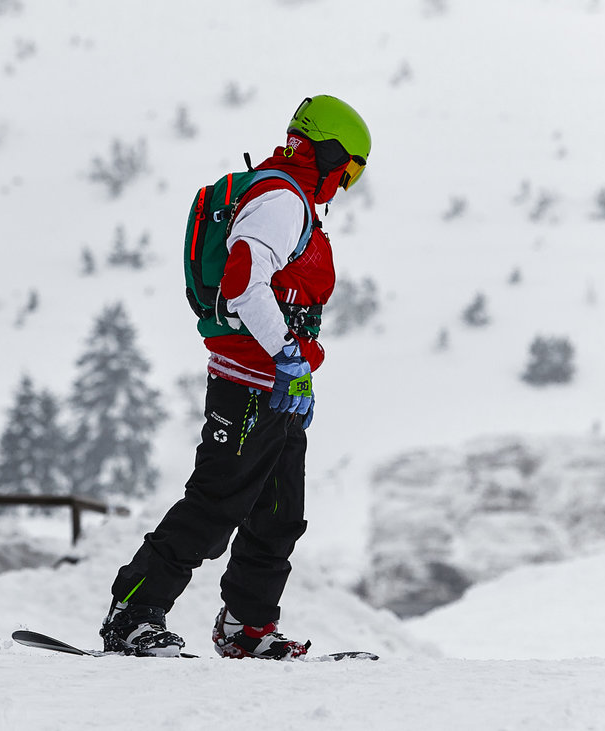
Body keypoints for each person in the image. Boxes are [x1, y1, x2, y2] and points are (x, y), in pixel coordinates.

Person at [99, 95, 372, 659]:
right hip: (251, 379)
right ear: (326, 153)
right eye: (349, 170)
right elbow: (244, 283)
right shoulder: (280, 200)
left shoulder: (289, 198)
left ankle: (246, 628)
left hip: (278, 381)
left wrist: (295, 371)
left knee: (278, 515)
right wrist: (289, 357)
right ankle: (134, 613)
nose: (345, 185)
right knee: (217, 502)